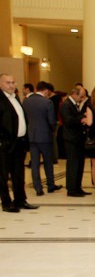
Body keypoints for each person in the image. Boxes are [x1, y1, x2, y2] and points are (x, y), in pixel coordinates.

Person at [1, 73, 40, 212]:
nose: (11, 85)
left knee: (18, 174)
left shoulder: (15, 98)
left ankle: (20, 200)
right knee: (3, 175)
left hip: (19, 143)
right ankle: (6, 202)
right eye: (8, 83)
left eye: (13, 82)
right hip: (5, 144)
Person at [23, 80, 60, 196]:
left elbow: (25, 119)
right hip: (45, 136)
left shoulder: (26, 101)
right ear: (46, 90)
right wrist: (53, 130)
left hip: (32, 136)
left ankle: (38, 188)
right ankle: (50, 185)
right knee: (48, 162)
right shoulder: (47, 102)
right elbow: (51, 121)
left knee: (35, 163)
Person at [60, 85, 88, 196]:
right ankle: (71, 189)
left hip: (78, 139)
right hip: (71, 139)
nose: (82, 99)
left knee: (79, 164)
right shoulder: (66, 105)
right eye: (81, 96)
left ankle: (77, 187)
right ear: (74, 94)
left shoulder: (74, 104)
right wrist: (82, 118)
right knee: (73, 164)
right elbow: (68, 121)